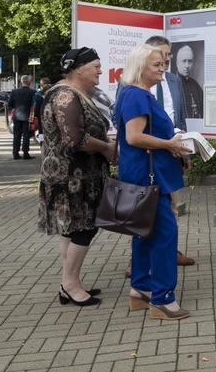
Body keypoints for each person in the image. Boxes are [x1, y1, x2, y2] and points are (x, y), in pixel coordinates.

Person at [115, 44, 193, 320]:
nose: (163, 68)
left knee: (143, 232)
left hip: (144, 174)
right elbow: (134, 136)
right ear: (140, 66)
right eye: (156, 64)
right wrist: (169, 144)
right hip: (150, 177)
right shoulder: (137, 95)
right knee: (165, 234)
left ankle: (140, 289)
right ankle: (162, 299)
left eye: (163, 63)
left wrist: (172, 142)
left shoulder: (134, 93)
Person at [37, 48, 116, 307]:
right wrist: (107, 148)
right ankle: (70, 284)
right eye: (95, 66)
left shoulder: (73, 93)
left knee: (73, 229)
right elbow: (74, 139)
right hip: (71, 177)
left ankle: (69, 283)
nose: (100, 71)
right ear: (78, 68)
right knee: (84, 227)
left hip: (79, 175)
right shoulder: (64, 95)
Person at [8, 75, 36, 160]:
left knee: (16, 135)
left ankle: (15, 153)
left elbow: (10, 104)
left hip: (17, 116)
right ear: (29, 82)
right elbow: (34, 105)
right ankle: (25, 153)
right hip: (28, 116)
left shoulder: (14, 92)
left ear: (21, 82)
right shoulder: (33, 92)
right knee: (26, 135)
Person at [176, 45, 204, 118]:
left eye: (190, 61)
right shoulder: (172, 84)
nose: (187, 66)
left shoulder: (195, 85)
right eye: (184, 61)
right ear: (177, 63)